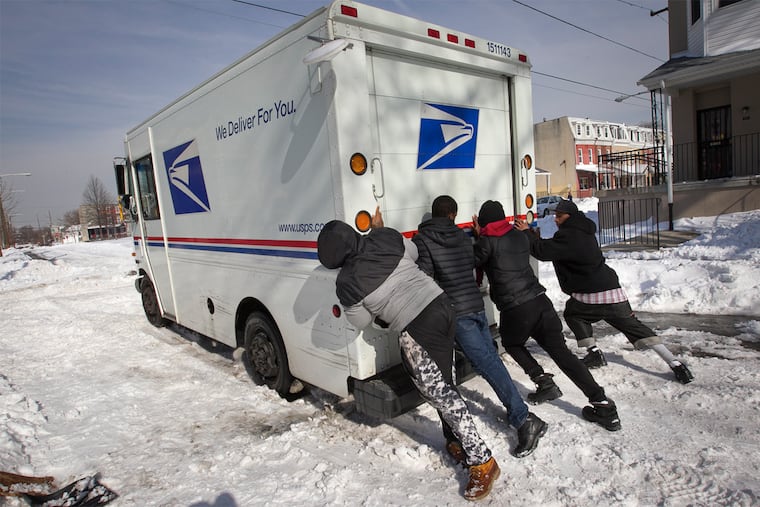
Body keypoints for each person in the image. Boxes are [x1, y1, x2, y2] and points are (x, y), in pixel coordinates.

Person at [317, 207, 499, 501]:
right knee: (445, 381)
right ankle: (456, 441)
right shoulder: (384, 237)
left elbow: (361, 321)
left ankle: (482, 460)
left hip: (417, 326)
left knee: (440, 394)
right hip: (442, 306)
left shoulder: (347, 282)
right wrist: (378, 232)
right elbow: (413, 254)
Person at [413, 195, 547, 459]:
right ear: (453, 215)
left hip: (457, 313)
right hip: (476, 307)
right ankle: (520, 413)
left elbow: (425, 278)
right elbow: (474, 261)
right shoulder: (464, 238)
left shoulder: (423, 241)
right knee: (490, 361)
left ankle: (524, 419)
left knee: (487, 363)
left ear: (435, 214)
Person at [472, 200, 622, 431]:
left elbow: (474, 261)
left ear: (483, 223)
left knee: (511, 342)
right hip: (540, 302)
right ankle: (603, 404)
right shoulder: (519, 236)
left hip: (516, 307)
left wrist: (479, 236)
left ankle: (543, 381)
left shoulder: (486, 242)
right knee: (563, 354)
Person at [515, 199, 694, 385]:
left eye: (559, 216)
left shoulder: (570, 235)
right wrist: (535, 238)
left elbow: (544, 252)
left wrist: (526, 233)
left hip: (592, 293)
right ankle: (675, 364)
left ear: (570, 216)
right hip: (611, 291)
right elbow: (556, 249)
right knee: (634, 327)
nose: (555, 219)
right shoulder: (582, 231)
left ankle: (594, 354)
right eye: (555, 216)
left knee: (573, 314)